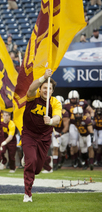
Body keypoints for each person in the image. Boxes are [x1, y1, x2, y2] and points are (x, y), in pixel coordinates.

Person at [21, 69, 62, 202]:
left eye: (49, 88)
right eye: (44, 87)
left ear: (52, 91)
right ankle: (27, 193)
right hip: (29, 134)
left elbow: (57, 118)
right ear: (40, 88)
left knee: (37, 169)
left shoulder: (55, 102)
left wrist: (50, 121)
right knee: (31, 161)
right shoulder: (33, 97)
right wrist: (44, 77)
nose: (46, 90)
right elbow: (31, 89)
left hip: (44, 137)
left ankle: (27, 158)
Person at [64, 90, 94, 168]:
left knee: (84, 143)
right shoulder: (66, 105)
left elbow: (91, 110)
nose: (73, 100)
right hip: (73, 124)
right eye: (72, 98)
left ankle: (86, 160)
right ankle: (76, 159)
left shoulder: (83, 102)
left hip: (82, 123)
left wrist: (91, 118)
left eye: (74, 98)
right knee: (73, 144)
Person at [51, 96, 70, 170]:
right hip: (55, 131)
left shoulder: (64, 113)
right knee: (55, 147)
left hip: (64, 133)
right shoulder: (51, 111)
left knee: (62, 150)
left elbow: (66, 126)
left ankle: (61, 161)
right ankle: (55, 164)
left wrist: (60, 134)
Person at [92, 100, 102, 166]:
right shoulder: (92, 113)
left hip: (101, 130)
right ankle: (95, 159)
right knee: (94, 145)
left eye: (100, 108)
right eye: (97, 108)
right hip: (95, 129)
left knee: (99, 144)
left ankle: (98, 160)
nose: (99, 110)